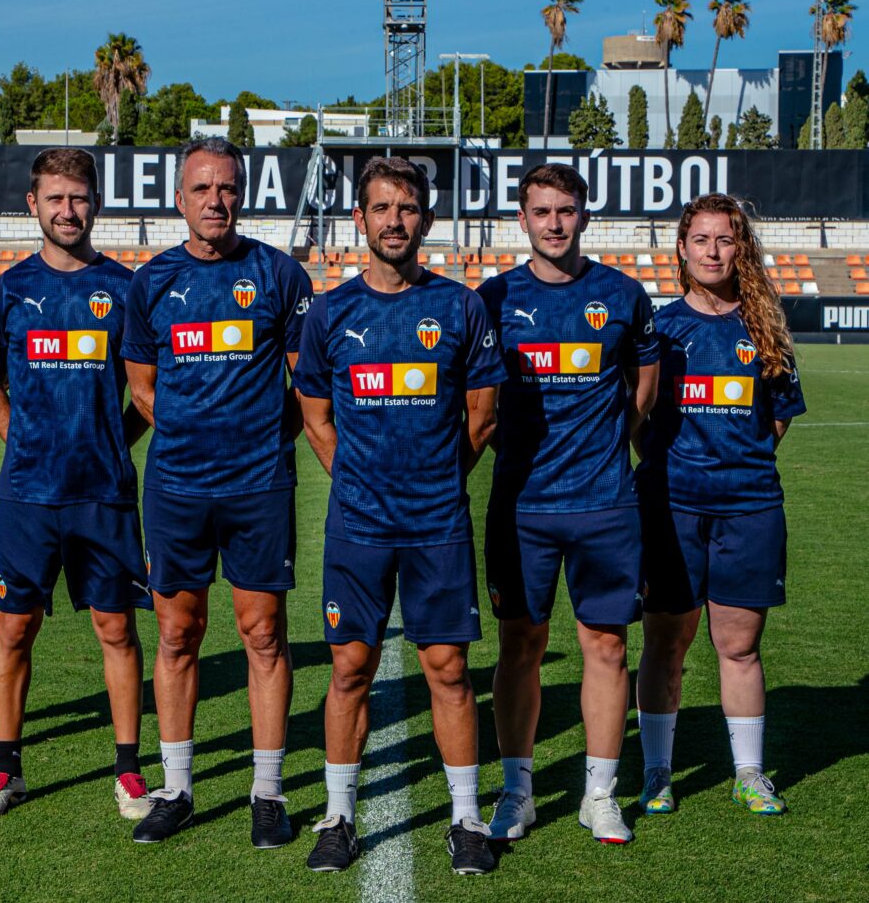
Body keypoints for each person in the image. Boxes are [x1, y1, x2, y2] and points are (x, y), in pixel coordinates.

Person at [293, 156, 506, 875]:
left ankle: (467, 817)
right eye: (381, 208)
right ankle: (339, 815)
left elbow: (481, 417)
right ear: (359, 219)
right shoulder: (330, 312)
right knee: (350, 665)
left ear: (427, 220)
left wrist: (436, 481)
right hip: (358, 522)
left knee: (447, 667)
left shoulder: (460, 307)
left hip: (437, 521)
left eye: (407, 208)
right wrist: (355, 479)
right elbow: (316, 416)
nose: (394, 221)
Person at [121, 137, 312, 849]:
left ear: (244, 193)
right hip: (176, 487)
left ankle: (267, 791)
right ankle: (177, 788)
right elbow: (142, 388)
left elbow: (306, 386)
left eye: (227, 187)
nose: (215, 201)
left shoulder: (278, 274)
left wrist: (261, 437)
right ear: (179, 199)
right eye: (201, 188)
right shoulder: (151, 283)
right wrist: (191, 438)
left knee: (263, 634)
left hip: (259, 485)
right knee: (177, 634)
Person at [0, 148, 152, 821]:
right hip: (27, 498)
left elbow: (146, 388)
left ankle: (128, 772)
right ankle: (6, 769)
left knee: (117, 629)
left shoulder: (127, 288)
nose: (67, 210)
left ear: (95, 203)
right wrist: (16, 433)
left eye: (78, 198)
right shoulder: (8, 291)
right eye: (55, 199)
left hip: (103, 493)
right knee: (15, 630)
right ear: (32, 205)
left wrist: (117, 439)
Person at [478, 162, 659, 846]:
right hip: (521, 506)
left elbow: (643, 386)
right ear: (522, 220)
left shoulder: (622, 294)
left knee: (607, 647)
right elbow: (480, 405)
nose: (555, 223)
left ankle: (600, 794)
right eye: (542, 211)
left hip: (605, 503)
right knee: (520, 645)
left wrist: (610, 446)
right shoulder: (492, 299)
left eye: (566, 210)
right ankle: (517, 792)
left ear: (584, 214)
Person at [634, 194, 805, 817]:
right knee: (666, 642)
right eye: (701, 240)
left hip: (750, 505)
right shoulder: (659, 328)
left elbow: (776, 422)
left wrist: (738, 465)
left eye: (725, 240)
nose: (712, 251)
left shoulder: (764, 330)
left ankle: (749, 773)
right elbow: (637, 418)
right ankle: (657, 772)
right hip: (671, 506)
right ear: (681, 249)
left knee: (739, 646)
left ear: (741, 249)